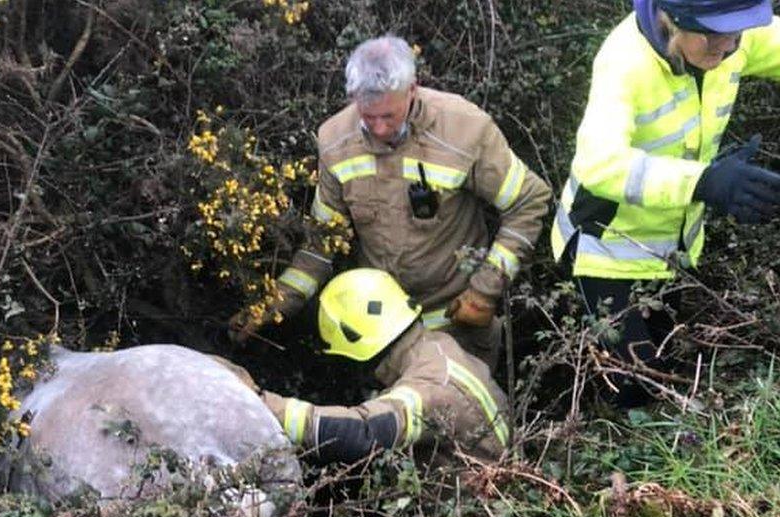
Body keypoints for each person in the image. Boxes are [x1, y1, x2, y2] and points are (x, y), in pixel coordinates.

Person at [229, 35, 552, 369]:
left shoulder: (464, 129)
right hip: (380, 337)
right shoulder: (335, 141)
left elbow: (529, 201)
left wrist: (485, 289)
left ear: (413, 89)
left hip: (457, 327)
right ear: (354, 97)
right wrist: (275, 304)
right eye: (369, 116)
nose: (380, 128)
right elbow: (323, 243)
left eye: (390, 115)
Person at [550, 0, 780, 405]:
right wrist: (704, 183)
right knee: (635, 387)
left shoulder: (728, 37)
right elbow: (598, 164)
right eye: (713, 35)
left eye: (737, 33)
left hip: (669, 251)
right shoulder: (624, 61)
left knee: (664, 366)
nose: (727, 47)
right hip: (605, 252)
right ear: (670, 21)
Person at [231, 268, 510, 464]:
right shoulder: (437, 346)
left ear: (357, 344)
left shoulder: (428, 391)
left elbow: (364, 433)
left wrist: (259, 404)